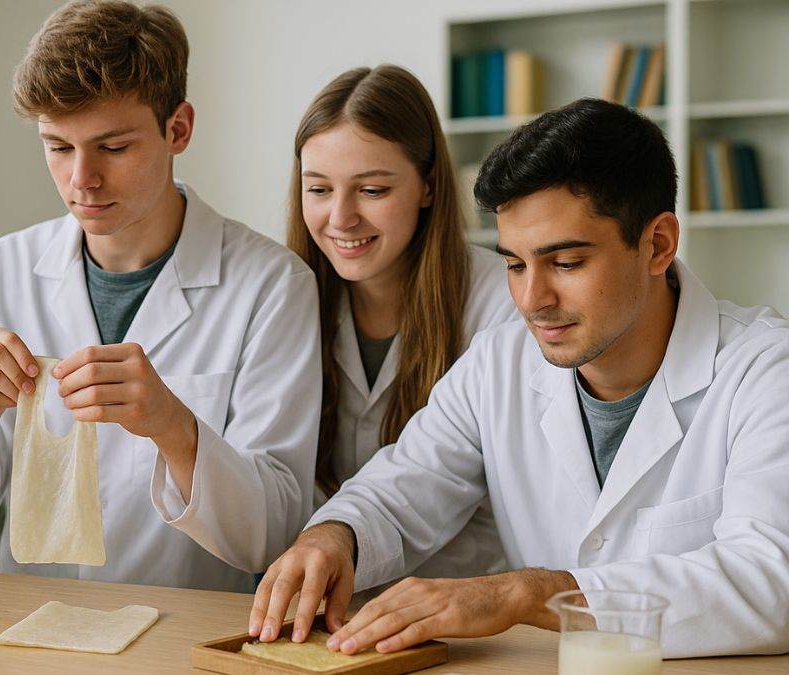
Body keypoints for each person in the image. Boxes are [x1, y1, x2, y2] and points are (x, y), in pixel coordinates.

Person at [248, 98, 789, 658]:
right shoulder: (498, 362)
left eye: (566, 263)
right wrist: (335, 535)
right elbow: (405, 486)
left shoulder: (766, 371)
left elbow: (772, 582)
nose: (532, 301)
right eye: (514, 264)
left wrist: (531, 594)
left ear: (657, 245)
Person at [0, 0, 321, 592]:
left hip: (186, 631)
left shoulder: (273, 286)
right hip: (29, 621)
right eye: (58, 147)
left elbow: (270, 535)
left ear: (179, 129)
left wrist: (172, 423)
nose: (81, 179)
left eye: (113, 148)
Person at [288, 64, 515, 579]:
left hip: (458, 603)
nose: (341, 218)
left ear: (429, 186)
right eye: (319, 189)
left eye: (371, 190)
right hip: (317, 605)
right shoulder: (282, 299)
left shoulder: (501, 304)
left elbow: (455, 486)